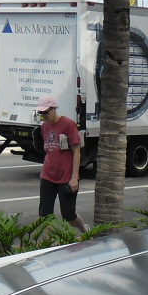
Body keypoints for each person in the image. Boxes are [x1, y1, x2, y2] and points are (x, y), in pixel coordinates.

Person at [36, 96, 88, 235]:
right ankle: (51, 243)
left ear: (54, 109)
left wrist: (74, 177)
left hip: (66, 176)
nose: (44, 116)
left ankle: (84, 229)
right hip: (48, 175)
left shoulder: (67, 124)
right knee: (45, 214)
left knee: (68, 215)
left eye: (46, 112)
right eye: (41, 113)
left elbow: (76, 151)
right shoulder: (44, 126)